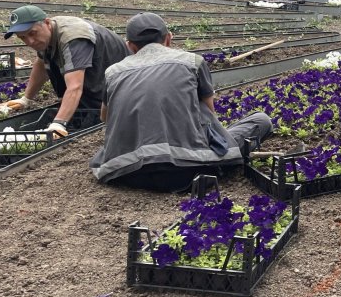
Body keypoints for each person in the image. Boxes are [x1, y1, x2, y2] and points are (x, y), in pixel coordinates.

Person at [89, 13, 273, 192]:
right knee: (261, 120)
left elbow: (106, 118)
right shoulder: (192, 62)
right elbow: (209, 114)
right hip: (188, 171)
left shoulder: (112, 73)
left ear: (130, 46)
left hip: (126, 174)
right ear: (168, 38)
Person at [0, 5, 128, 136]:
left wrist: (59, 123)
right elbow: (41, 64)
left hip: (120, 84)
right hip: (99, 75)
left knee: (95, 114)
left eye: (32, 33)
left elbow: (75, 87)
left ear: (47, 23)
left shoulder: (73, 38)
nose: (30, 41)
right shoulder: (45, 35)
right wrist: (26, 98)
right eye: (23, 37)